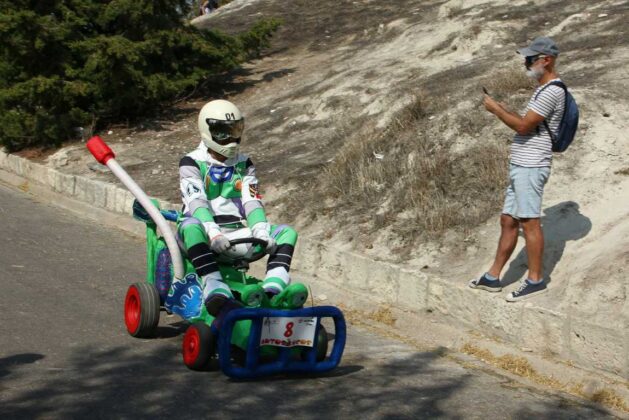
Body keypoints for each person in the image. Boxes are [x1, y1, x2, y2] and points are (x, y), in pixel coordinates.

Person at [178, 99, 300, 327]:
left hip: (236, 233)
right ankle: (213, 285)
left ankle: (272, 288)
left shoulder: (244, 164)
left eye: (234, 131)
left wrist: (261, 230)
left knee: (286, 233)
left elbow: (252, 201)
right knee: (190, 225)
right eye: (223, 133)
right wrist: (213, 233)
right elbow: (196, 202)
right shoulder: (191, 162)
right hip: (204, 235)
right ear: (208, 131)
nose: (231, 139)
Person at [469, 36, 565, 302]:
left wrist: (496, 109)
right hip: (522, 164)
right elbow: (527, 122)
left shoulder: (553, 91)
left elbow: (524, 126)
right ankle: (493, 276)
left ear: (546, 60)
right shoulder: (542, 89)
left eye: (530, 59)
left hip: (531, 166)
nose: (526, 63)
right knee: (508, 220)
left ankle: (535, 279)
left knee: (530, 223)